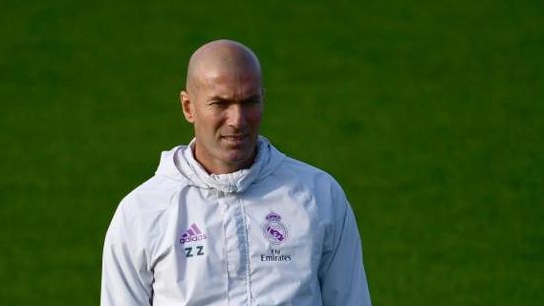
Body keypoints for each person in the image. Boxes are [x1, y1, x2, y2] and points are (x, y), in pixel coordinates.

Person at [101, 39, 372, 306]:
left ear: (263, 100)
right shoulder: (141, 212)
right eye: (220, 104)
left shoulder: (318, 195)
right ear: (188, 107)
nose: (237, 120)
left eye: (249, 102)